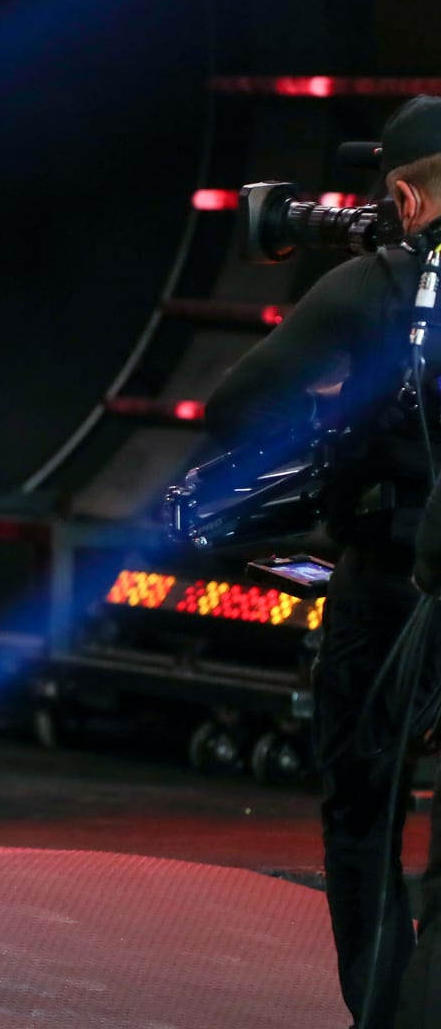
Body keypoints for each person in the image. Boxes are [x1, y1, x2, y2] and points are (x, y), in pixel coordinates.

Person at [205, 96, 441, 1028]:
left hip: (391, 580)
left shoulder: (374, 284)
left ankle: (389, 1015)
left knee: (363, 811)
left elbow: (238, 407)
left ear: (401, 197)